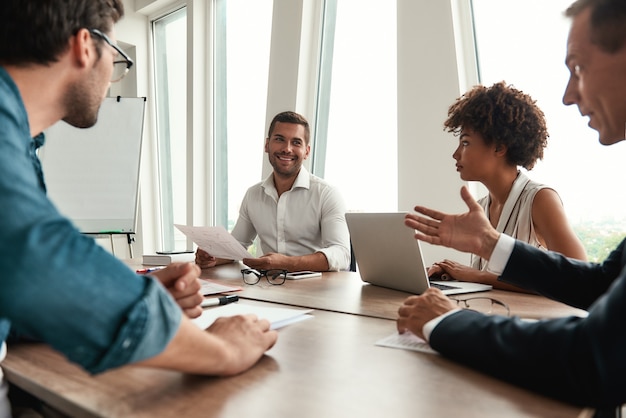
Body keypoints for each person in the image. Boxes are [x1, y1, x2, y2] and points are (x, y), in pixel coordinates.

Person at [0, 1, 277, 416]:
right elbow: (33, 256)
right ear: (84, 47)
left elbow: (13, 284)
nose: (113, 75)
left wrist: (131, 298)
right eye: (116, 57)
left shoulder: (20, 141)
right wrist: (221, 348)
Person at [397, 0, 626, 409]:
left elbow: (593, 357)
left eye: (578, 68)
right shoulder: (484, 204)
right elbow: (602, 282)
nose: (569, 95)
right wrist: (490, 245)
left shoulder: (540, 197)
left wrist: (448, 320)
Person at [428, 82, 587, 292]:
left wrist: (477, 276)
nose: (456, 154)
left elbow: (580, 277)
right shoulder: (481, 207)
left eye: (465, 143)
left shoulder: (540, 199)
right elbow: (496, 283)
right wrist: (454, 273)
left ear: (500, 147)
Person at [196, 111, 351, 272]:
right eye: (279, 139)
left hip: (317, 290)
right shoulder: (253, 195)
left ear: (307, 151)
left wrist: (287, 263)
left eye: (296, 143)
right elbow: (237, 246)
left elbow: (341, 254)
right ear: (267, 145)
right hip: (269, 286)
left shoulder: (326, 194)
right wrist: (211, 257)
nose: (287, 149)